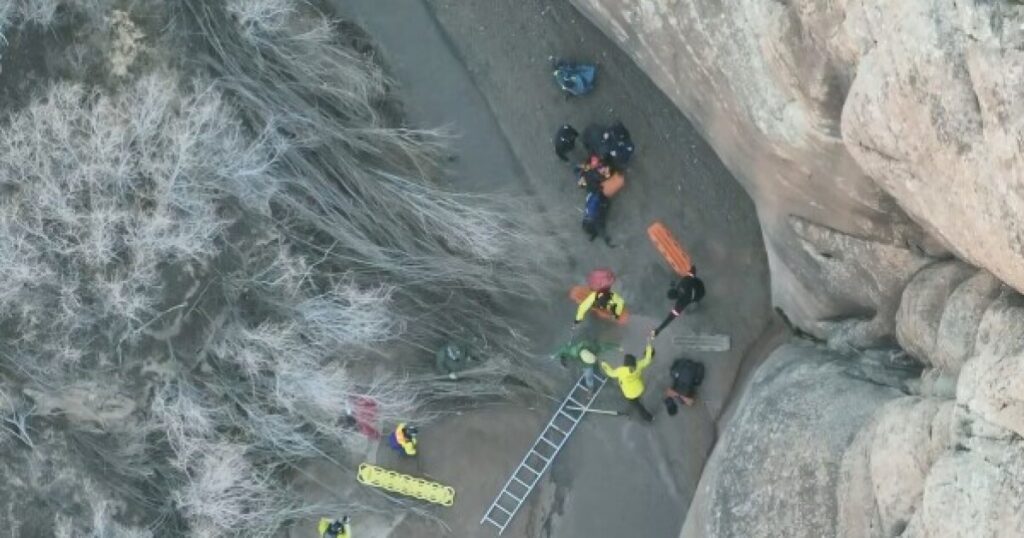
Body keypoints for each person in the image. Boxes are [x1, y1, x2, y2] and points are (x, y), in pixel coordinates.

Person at [600, 336, 656, 422]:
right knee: (637, 401)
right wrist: (648, 345)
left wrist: (604, 364)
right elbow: (647, 359)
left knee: (638, 406)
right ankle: (650, 418)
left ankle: (648, 418)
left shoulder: (621, 371)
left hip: (630, 393)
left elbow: (611, 373)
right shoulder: (638, 365)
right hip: (640, 388)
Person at [650, 269, 705, 337]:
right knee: (687, 276)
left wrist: (658, 330)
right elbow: (691, 273)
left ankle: (701, 307)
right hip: (699, 283)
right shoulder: (682, 282)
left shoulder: (680, 303)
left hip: (701, 294)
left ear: (674, 299)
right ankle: (699, 306)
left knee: (689, 311)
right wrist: (692, 269)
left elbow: (670, 318)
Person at [552, 339, 621, 390]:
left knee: (590, 373)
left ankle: (593, 383)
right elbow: (562, 349)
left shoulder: (593, 347)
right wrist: (554, 355)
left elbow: (604, 346)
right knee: (588, 376)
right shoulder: (573, 351)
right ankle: (590, 388)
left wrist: (617, 347)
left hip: (588, 361)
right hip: (585, 364)